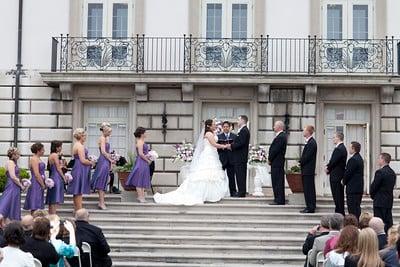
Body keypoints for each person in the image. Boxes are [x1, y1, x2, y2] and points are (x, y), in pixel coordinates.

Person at [154, 119, 229, 205]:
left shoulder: (212, 133)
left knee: (212, 175)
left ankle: (210, 195)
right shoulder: (208, 133)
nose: (215, 125)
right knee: (207, 175)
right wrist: (225, 146)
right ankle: (204, 194)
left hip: (213, 154)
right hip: (208, 154)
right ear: (209, 126)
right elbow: (214, 144)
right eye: (213, 124)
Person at [67, 128, 94, 211]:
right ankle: (79, 210)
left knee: (77, 190)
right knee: (78, 191)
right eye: (84, 135)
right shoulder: (80, 146)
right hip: (80, 168)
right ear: (81, 136)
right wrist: (91, 162)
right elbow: (82, 160)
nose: (85, 137)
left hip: (77, 167)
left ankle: (77, 209)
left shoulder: (76, 144)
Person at [370, 152, 396, 233]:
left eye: (379, 158)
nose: (378, 160)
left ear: (383, 160)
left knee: (379, 223)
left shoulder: (380, 172)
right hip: (388, 200)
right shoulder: (392, 172)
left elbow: (374, 186)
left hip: (379, 201)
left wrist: (373, 195)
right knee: (388, 222)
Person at [91, 123, 115, 209]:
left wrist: (111, 160)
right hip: (103, 161)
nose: (110, 133)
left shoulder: (105, 138)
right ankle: (101, 203)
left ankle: (101, 202)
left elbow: (106, 151)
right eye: (109, 132)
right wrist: (111, 159)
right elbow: (103, 152)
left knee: (104, 181)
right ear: (105, 131)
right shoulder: (102, 138)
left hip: (105, 161)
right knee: (102, 181)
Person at [125, 127, 152, 203]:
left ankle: (142, 196)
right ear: (141, 133)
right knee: (139, 180)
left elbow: (144, 153)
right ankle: (140, 197)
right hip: (141, 162)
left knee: (143, 179)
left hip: (144, 162)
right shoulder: (140, 141)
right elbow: (140, 154)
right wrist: (147, 160)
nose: (146, 134)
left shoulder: (142, 141)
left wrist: (150, 156)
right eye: (145, 132)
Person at [227, 115, 250, 198]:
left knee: (240, 175)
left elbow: (240, 143)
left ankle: (241, 192)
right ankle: (241, 191)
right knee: (240, 174)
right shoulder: (243, 130)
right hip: (239, 157)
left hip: (240, 157)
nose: (237, 121)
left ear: (243, 121)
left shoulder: (244, 130)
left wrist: (231, 146)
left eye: (238, 120)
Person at [0, 147, 25, 222]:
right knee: (7, 203)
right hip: (12, 185)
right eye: (17, 154)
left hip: (14, 185)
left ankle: (10, 222)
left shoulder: (13, 163)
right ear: (13, 155)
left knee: (12, 204)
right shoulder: (10, 163)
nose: (19, 155)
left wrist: (22, 181)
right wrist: (21, 186)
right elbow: (13, 176)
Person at [326, 132, 347, 215]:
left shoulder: (339, 148)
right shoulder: (342, 148)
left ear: (338, 138)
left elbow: (333, 161)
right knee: (338, 196)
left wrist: (328, 168)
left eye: (334, 137)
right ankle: (339, 212)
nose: (333, 139)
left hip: (336, 176)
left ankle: (339, 213)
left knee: (337, 196)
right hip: (338, 175)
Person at [268, 121, 287, 205]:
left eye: (274, 125)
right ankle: (278, 198)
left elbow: (275, 150)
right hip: (277, 163)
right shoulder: (280, 136)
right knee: (276, 181)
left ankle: (279, 199)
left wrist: (270, 159)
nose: (273, 127)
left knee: (277, 181)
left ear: (279, 127)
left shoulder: (281, 137)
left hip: (277, 163)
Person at [343, 142, 364, 219]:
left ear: (353, 149)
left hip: (353, 189)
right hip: (358, 188)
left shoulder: (353, 160)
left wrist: (343, 181)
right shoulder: (359, 158)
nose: (349, 149)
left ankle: (354, 225)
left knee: (352, 209)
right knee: (356, 208)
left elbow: (348, 173)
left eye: (350, 147)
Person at [24, 143, 46, 214]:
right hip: (36, 183)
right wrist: (42, 184)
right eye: (42, 150)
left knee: (38, 203)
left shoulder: (38, 158)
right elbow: (36, 174)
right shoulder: (34, 159)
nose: (44, 151)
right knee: (35, 203)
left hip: (39, 182)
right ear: (38, 150)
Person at [46, 141, 67, 215]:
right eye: (60, 146)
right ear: (56, 147)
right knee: (55, 197)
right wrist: (63, 177)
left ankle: (51, 214)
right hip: (57, 176)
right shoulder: (55, 155)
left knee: (53, 197)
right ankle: (53, 214)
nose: (61, 148)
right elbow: (58, 168)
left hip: (53, 176)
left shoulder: (51, 155)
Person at [300, 125, 317, 213]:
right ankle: (309, 206)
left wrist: (300, 161)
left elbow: (307, 157)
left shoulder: (311, 143)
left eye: (304, 130)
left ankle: (310, 207)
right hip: (307, 170)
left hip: (308, 170)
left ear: (308, 132)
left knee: (309, 189)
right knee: (307, 189)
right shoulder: (309, 142)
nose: (303, 132)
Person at [217, 121, 237, 197]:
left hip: (231, 159)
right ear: (222, 128)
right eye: (224, 127)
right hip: (222, 159)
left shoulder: (234, 136)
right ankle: (220, 192)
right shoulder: (218, 136)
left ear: (230, 127)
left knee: (231, 177)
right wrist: (223, 147)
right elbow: (216, 148)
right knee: (220, 176)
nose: (225, 128)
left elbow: (236, 147)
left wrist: (231, 147)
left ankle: (233, 192)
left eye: (227, 127)